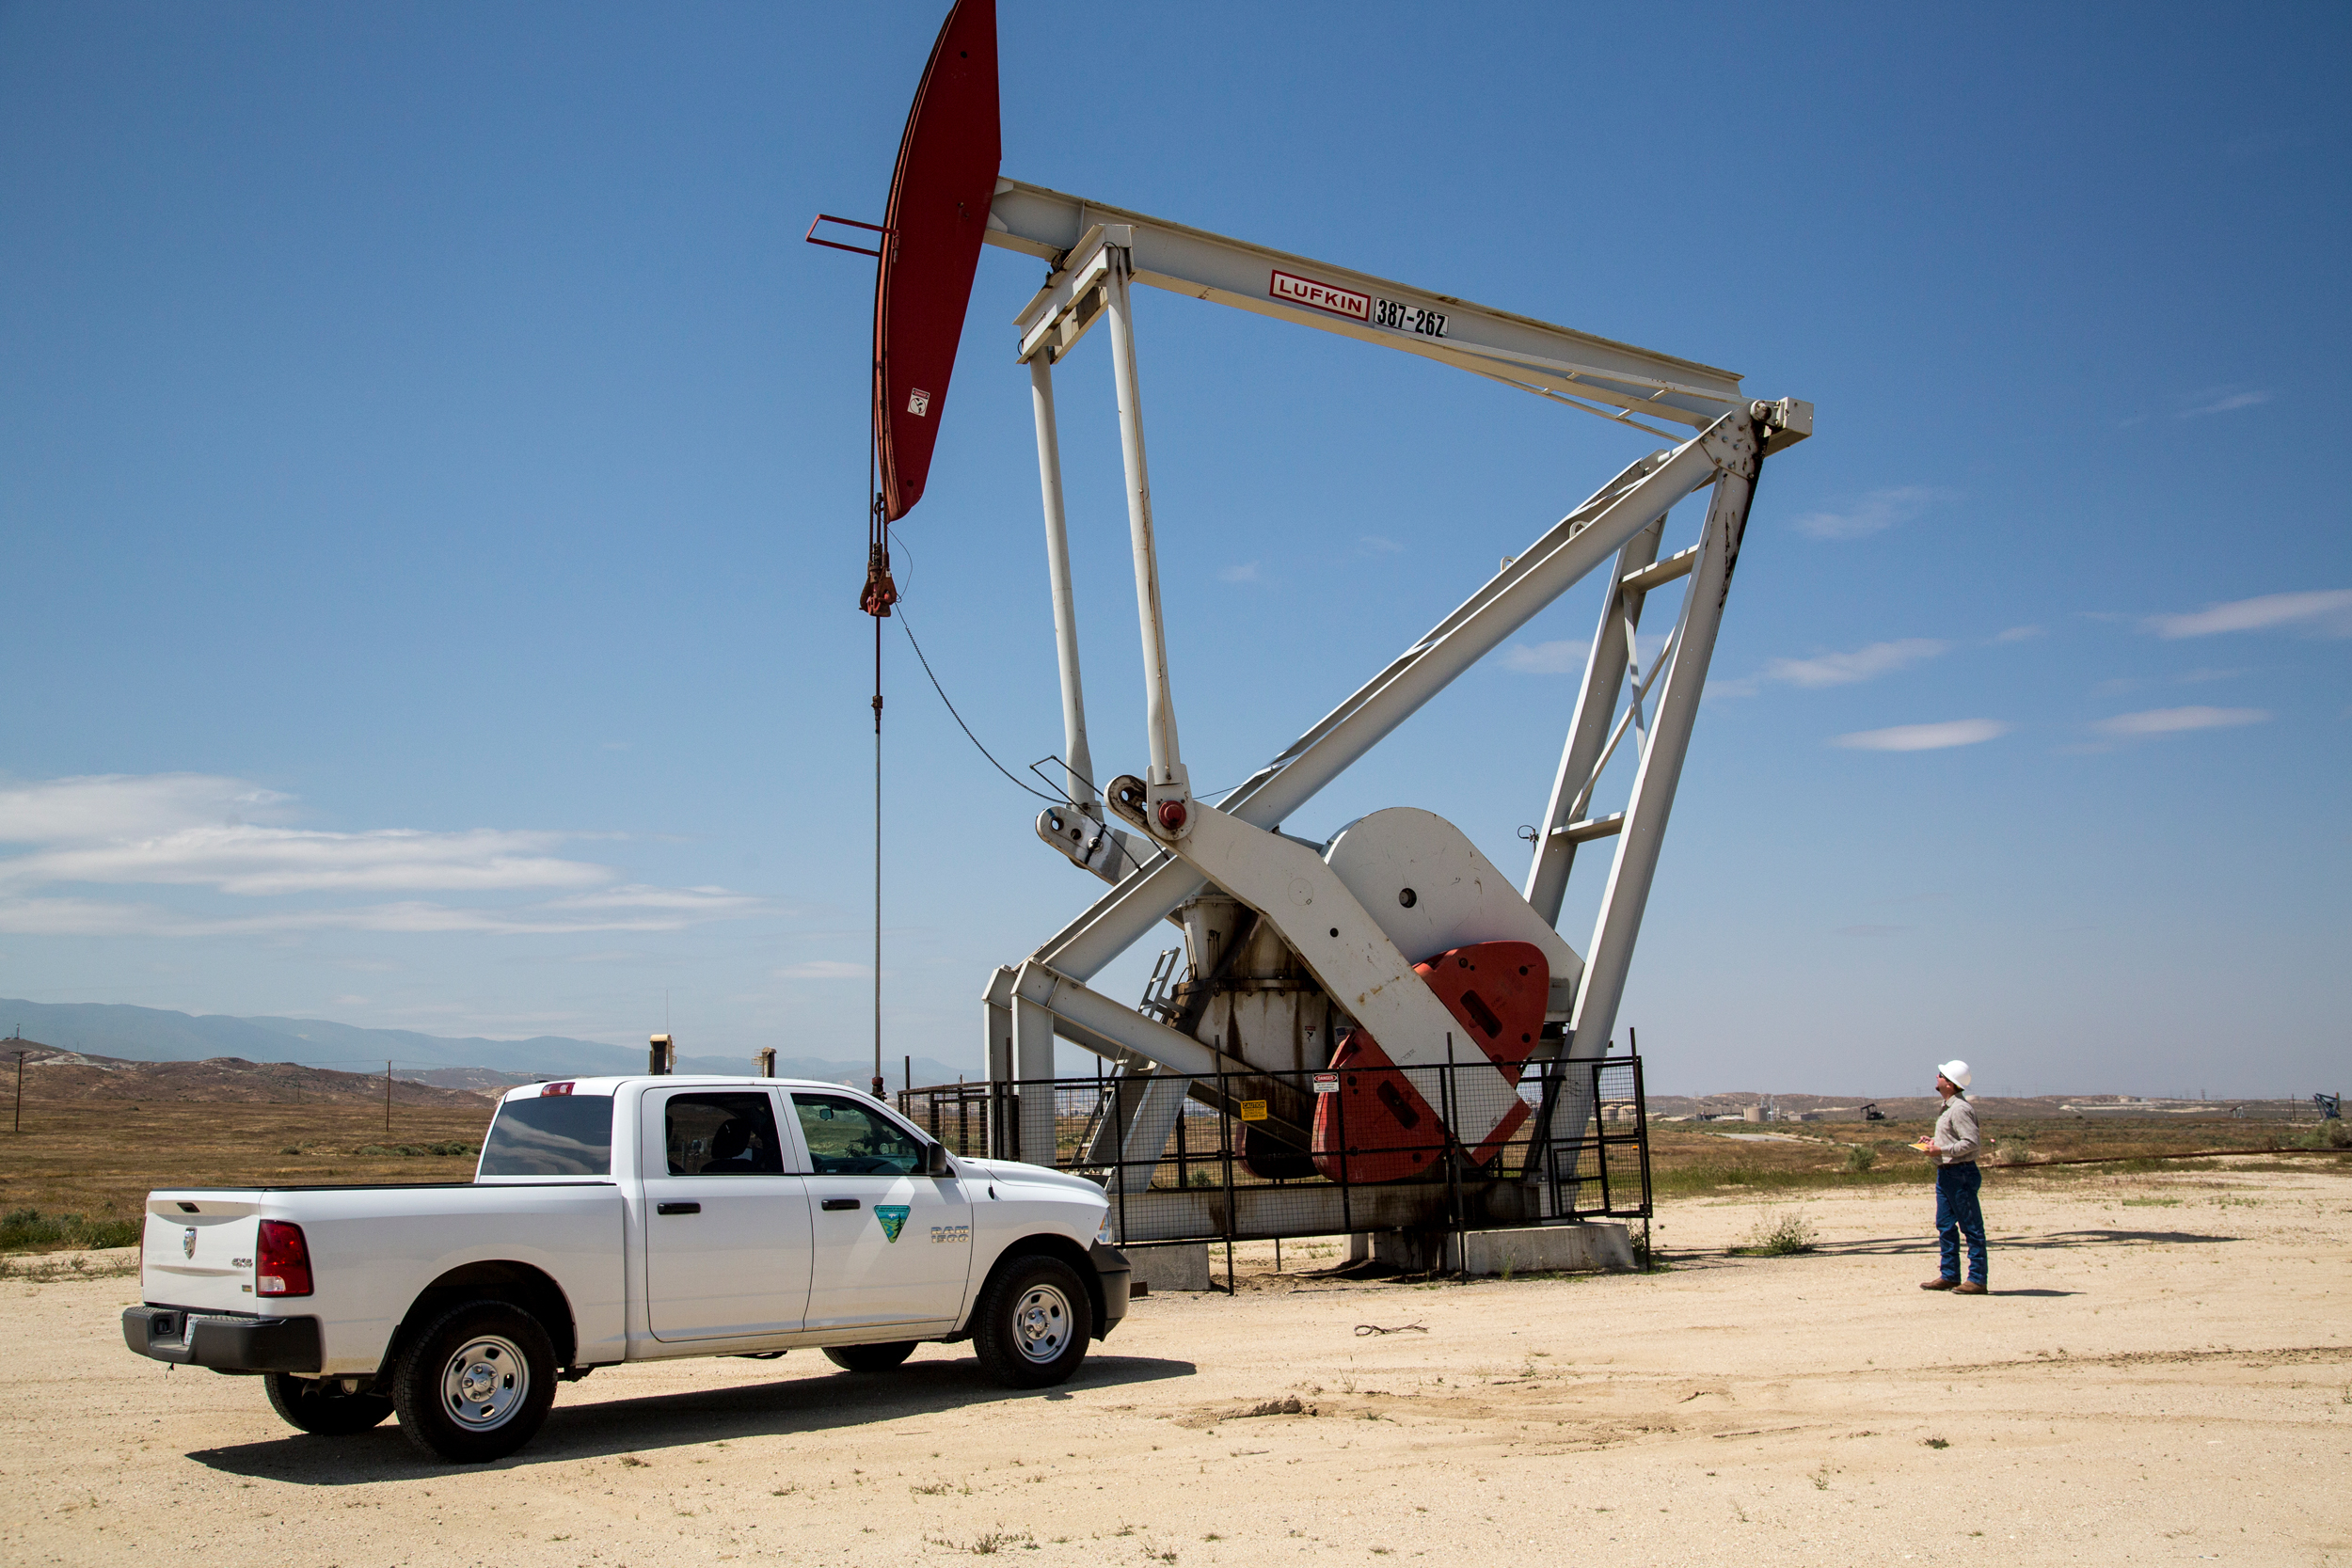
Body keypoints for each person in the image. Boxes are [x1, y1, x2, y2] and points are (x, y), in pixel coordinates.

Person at [1918, 1059, 1987, 1295]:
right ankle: (1949, 1275)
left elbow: (1971, 1143)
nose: (1936, 1078)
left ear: (1949, 1083)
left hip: (1960, 1173)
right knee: (1945, 1225)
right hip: (1946, 1173)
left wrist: (1942, 1150)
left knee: (1971, 1228)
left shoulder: (1960, 1109)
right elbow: (1955, 1140)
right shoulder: (1949, 1107)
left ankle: (1977, 1279)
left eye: (1940, 1075)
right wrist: (1934, 1144)